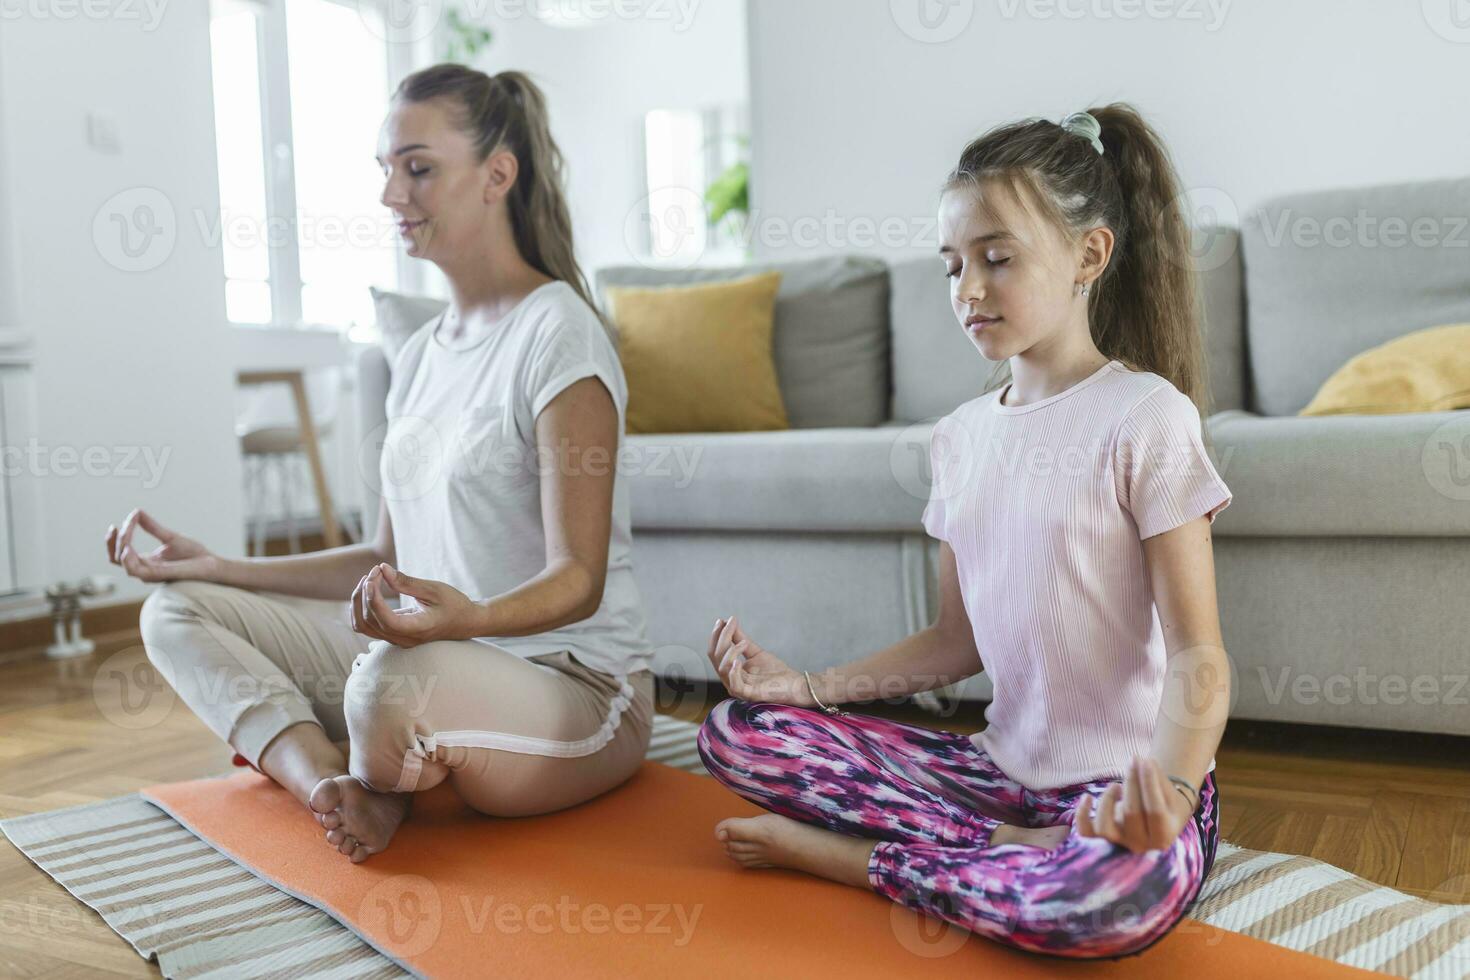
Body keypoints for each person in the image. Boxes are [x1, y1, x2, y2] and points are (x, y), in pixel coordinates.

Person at [696, 105, 1234, 959]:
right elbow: (956, 645)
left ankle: (867, 860)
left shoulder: (1146, 419)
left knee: (1114, 897)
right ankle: (1010, 856)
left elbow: (1200, 656)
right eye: (953, 266)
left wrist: (1169, 789)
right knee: (737, 734)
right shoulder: (959, 438)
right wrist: (803, 687)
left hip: (1122, 792)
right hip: (995, 777)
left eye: (997, 259)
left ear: (1089, 256)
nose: (968, 290)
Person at [110, 64, 654, 864]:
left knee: (390, 683)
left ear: (496, 175)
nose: (392, 195)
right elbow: (384, 560)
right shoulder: (422, 353)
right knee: (176, 610)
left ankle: (384, 768)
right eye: (386, 171)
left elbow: (581, 579)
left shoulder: (558, 335)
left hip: (577, 690)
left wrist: (461, 619)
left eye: (418, 167)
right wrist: (222, 565)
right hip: (439, 667)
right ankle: (334, 783)